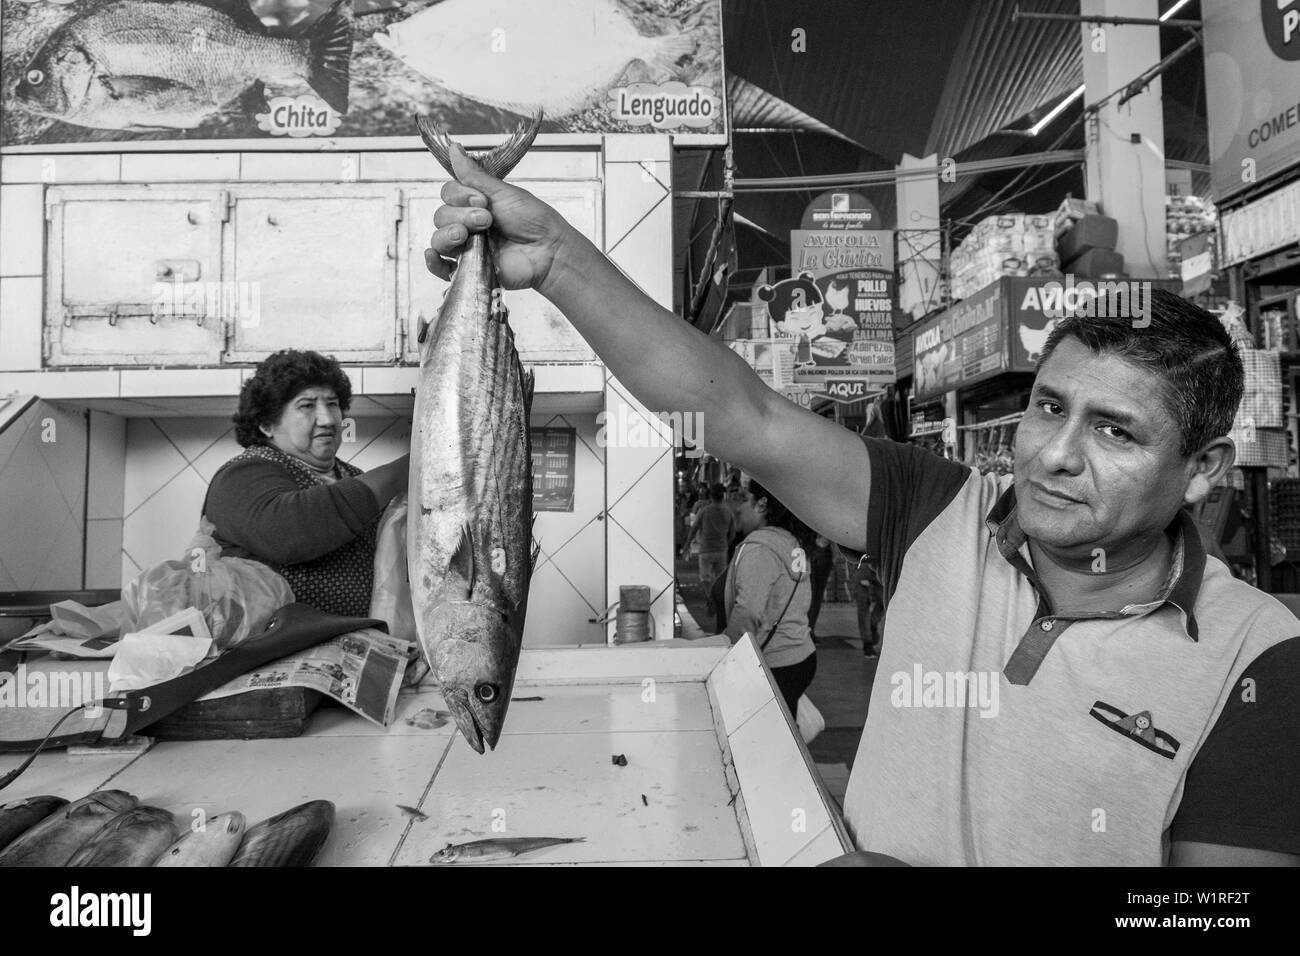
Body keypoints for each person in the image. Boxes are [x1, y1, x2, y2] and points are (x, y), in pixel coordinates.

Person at [424, 147, 1299, 866]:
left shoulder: (1261, 660)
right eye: (1048, 407)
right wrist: (558, 261)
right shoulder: (940, 511)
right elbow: (744, 414)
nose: (1055, 456)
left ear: (1203, 469)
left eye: (1116, 433)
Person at [203, 350, 409, 619]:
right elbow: (290, 531)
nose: (326, 419)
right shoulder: (241, 475)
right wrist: (408, 468)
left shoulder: (351, 475)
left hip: (357, 651)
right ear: (267, 423)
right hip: (271, 655)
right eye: (307, 406)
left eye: (333, 404)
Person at [722, 479, 817, 717]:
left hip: (771, 663)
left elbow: (748, 611)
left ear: (762, 505)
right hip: (800, 656)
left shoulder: (759, 549)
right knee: (783, 737)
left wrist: (727, 654)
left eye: (744, 499)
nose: (737, 507)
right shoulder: (791, 543)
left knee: (761, 742)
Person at [680, 483, 736, 622]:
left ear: (710, 495)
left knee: (705, 578)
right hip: (721, 549)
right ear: (722, 495)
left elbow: (694, 529)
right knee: (720, 578)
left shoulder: (704, 511)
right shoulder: (728, 512)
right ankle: (718, 602)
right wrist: (726, 544)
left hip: (706, 550)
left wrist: (687, 546)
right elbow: (733, 533)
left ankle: (710, 597)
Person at [806, 534, 834, 640]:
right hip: (818, 551)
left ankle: (810, 629)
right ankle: (809, 629)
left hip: (820, 552)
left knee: (815, 596)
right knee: (814, 596)